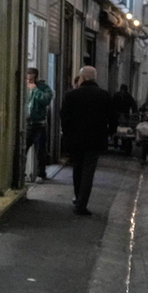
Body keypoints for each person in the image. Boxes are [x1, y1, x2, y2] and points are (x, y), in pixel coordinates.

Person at [59, 65, 115, 216]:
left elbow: (64, 117)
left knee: (77, 169)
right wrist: (109, 133)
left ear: (82, 77)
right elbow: (112, 118)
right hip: (95, 140)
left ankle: (78, 198)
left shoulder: (70, 96)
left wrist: (67, 134)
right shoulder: (104, 95)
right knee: (88, 171)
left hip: (75, 140)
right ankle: (81, 203)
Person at [25, 67, 54, 181]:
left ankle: (40, 174)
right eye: (27, 79)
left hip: (39, 124)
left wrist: (35, 90)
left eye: (31, 79)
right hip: (26, 123)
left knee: (40, 151)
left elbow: (46, 100)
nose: (29, 82)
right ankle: (21, 173)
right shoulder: (23, 88)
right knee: (22, 150)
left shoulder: (44, 88)